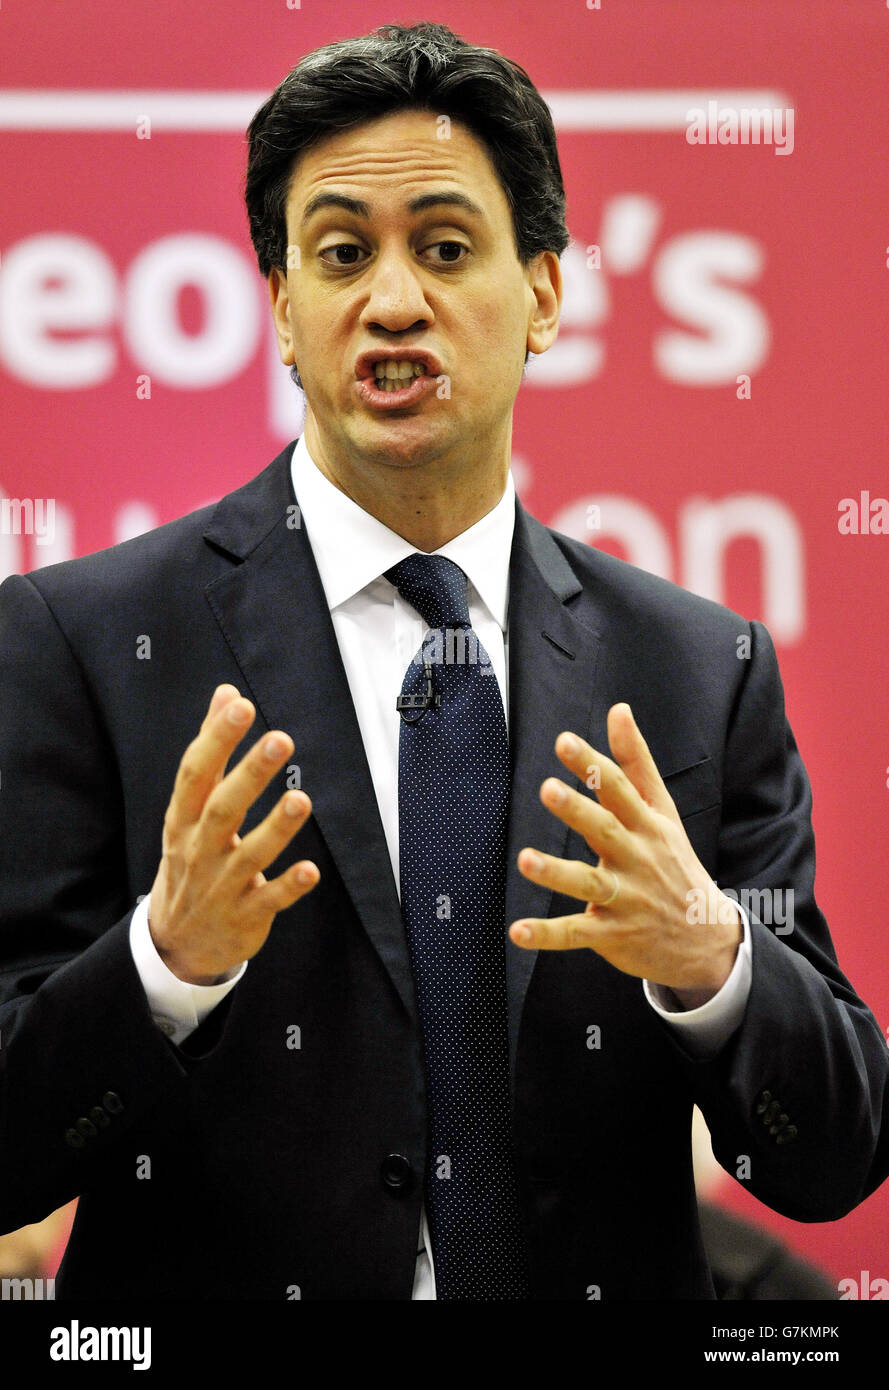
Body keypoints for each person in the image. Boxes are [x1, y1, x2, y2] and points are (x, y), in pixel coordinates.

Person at [0, 21, 886, 1301]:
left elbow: (838, 1153)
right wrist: (163, 962)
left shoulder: (701, 670)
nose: (393, 300)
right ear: (283, 308)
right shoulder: (82, 640)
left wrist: (710, 959)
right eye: (343, 253)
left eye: (446, 247)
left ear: (542, 293)